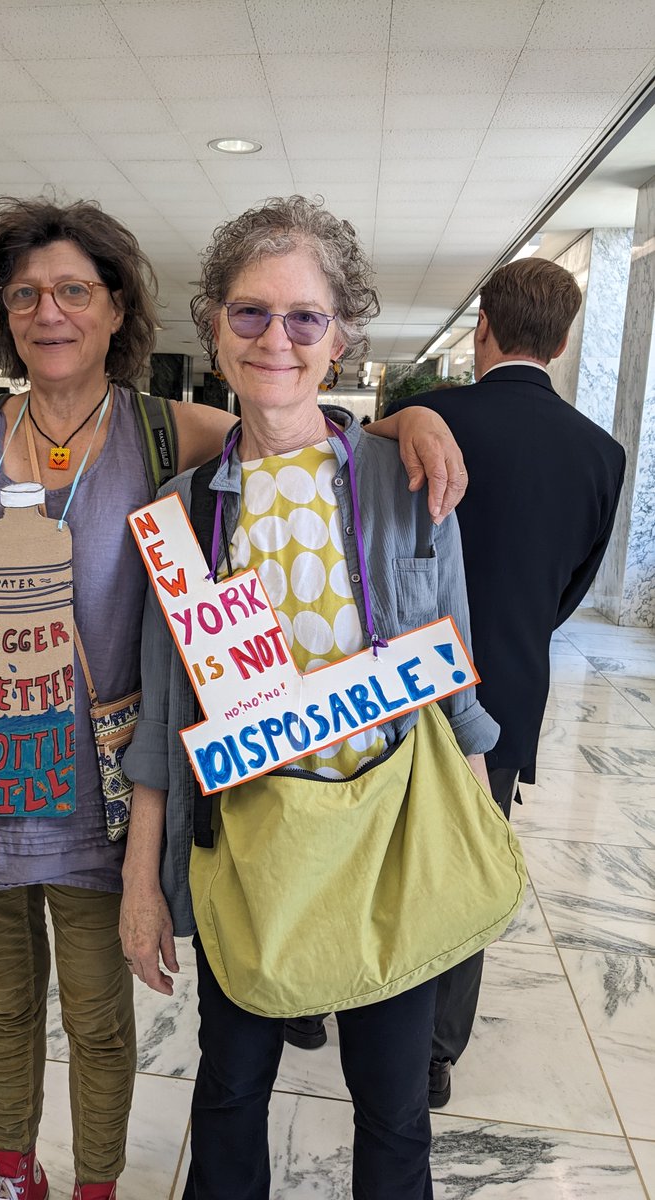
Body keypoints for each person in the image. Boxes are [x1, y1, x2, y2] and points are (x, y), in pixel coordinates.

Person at [0, 194, 466, 1200]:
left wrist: (411, 416)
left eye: (74, 291)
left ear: (116, 307)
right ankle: (16, 1175)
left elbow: (295, 430)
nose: (49, 312)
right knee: (4, 1004)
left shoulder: (165, 434)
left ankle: (95, 1183)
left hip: (96, 798)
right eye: (25, 294)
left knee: (104, 1018)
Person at [120, 195, 501, 1200]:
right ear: (213, 328)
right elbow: (164, 720)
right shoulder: (179, 520)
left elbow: (454, 677)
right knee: (231, 1092)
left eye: (304, 318)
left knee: (393, 1111)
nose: (276, 340)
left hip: (389, 843)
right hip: (249, 851)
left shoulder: (408, 482)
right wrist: (141, 883)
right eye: (249, 314)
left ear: (341, 336)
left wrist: (473, 841)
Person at [387, 257, 626, 1109]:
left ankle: (324, 1002)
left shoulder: (420, 420)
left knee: (364, 843)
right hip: (506, 691)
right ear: (563, 344)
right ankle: (435, 1052)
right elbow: (574, 584)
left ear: (482, 327)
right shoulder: (601, 454)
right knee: (465, 864)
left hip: (395, 682)